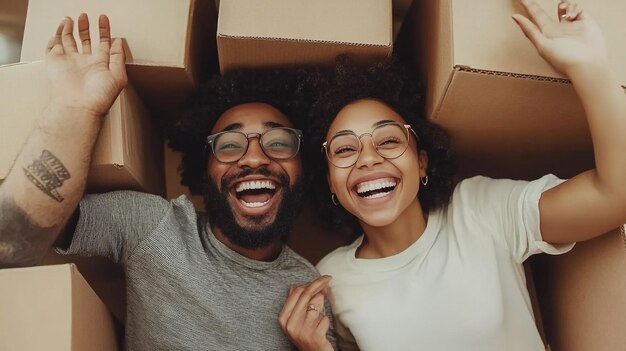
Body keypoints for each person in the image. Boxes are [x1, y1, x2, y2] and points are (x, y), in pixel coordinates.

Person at [279, 0, 626, 350]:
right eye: (344, 149)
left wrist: (590, 66)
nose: (367, 159)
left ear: (422, 162)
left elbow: (615, 196)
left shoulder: (477, 209)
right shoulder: (332, 279)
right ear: (330, 182)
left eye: (388, 140)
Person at [0, 14, 336, 350]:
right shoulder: (154, 227)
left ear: (302, 167)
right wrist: (77, 107)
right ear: (205, 172)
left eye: (278, 142)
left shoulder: (308, 290)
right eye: (230, 145)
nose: (254, 158)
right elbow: (15, 235)